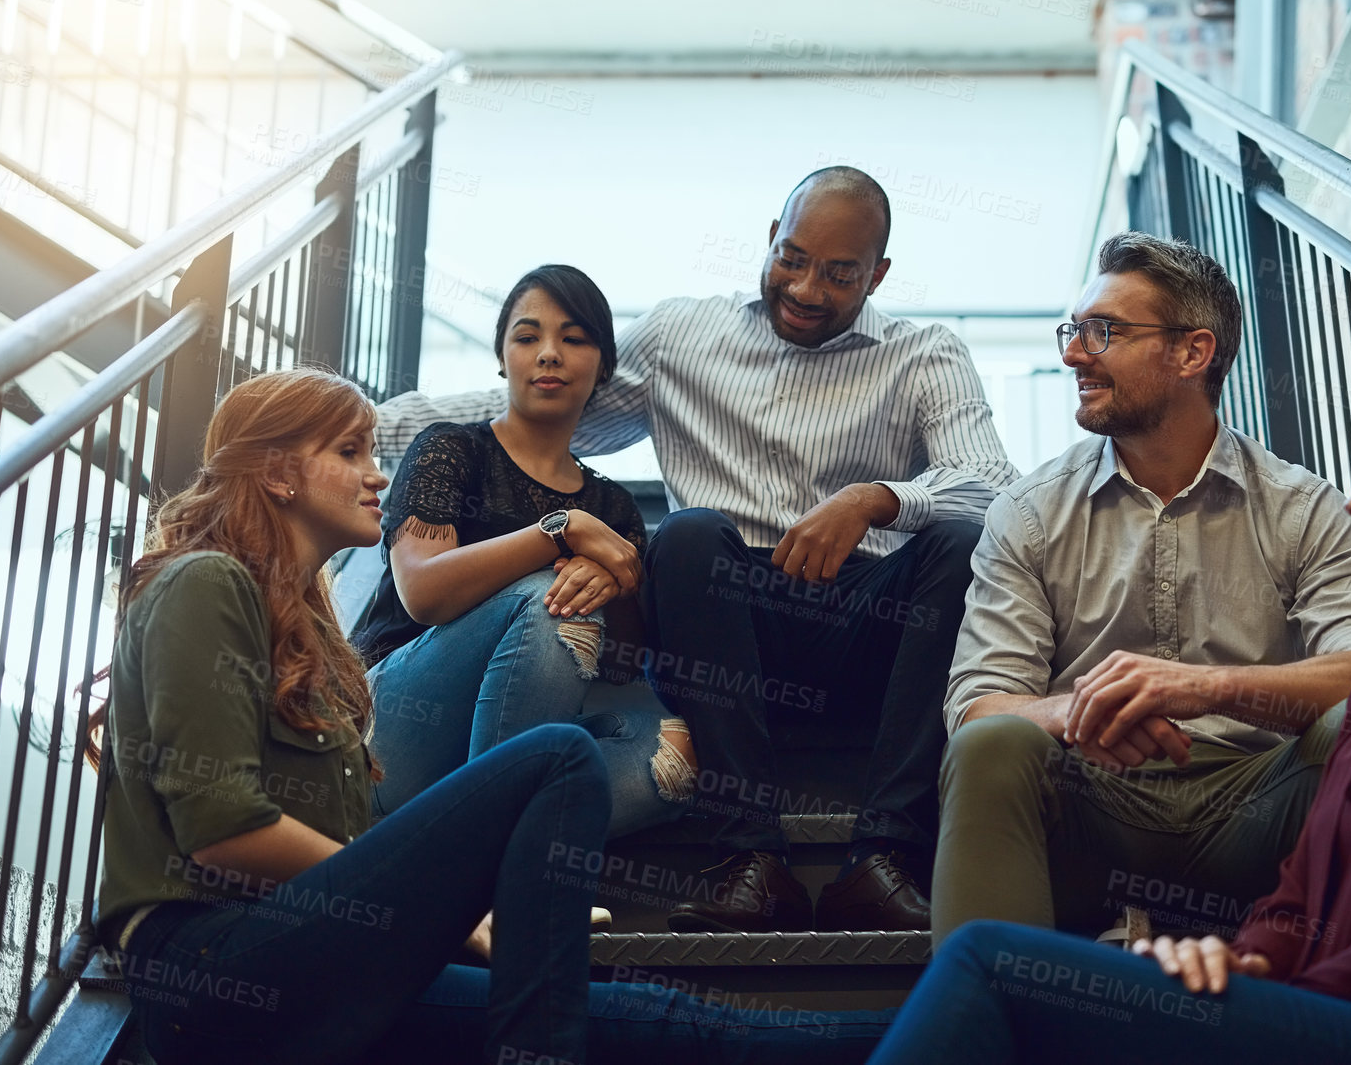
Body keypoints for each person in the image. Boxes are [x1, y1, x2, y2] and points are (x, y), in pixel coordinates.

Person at [93, 367, 895, 1065]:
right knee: (556, 760)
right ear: (275, 474)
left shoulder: (307, 635)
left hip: (312, 964)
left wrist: (461, 924)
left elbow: (351, 849)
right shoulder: (203, 583)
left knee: (664, 1025)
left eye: (372, 452)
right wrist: (446, 903)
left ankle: (963, 1032)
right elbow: (223, 830)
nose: (376, 476)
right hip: (214, 961)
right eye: (348, 454)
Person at [870, 362, 1351, 1065]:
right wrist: (1240, 959)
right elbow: (1300, 896)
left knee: (989, 968)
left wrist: (1263, 1001)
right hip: (1334, 1014)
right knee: (1014, 984)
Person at [378, 167, 1017, 933]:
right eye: (793, 258)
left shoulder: (925, 354)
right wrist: (366, 424)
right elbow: (544, 405)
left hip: (866, 618)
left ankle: (885, 858)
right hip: (725, 616)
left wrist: (877, 498)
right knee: (683, 535)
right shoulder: (684, 334)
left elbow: (990, 482)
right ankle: (750, 858)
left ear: (877, 275)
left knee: (959, 537)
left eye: (840, 274)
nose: (808, 288)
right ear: (770, 242)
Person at [932, 232, 1351, 948]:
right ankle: (995, 1026)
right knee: (992, 745)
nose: (1072, 354)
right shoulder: (1029, 512)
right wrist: (1083, 710)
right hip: (1091, 805)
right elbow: (978, 705)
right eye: (1072, 330)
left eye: (1103, 332)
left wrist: (1201, 688)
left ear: (1193, 352)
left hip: (1257, 806)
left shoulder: (1301, 507)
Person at [353, 265, 696, 837]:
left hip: (512, 736)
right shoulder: (450, 448)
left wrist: (618, 580)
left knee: (679, 754)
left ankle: (461, 844)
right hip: (393, 732)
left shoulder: (613, 509)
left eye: (575, 339)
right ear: (502, 356)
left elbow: (618, 664)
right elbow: (422, 592)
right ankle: (496, 863)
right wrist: (558, 532)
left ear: (604, 365)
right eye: (527, 336)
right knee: (550, 596)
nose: (549, 354)